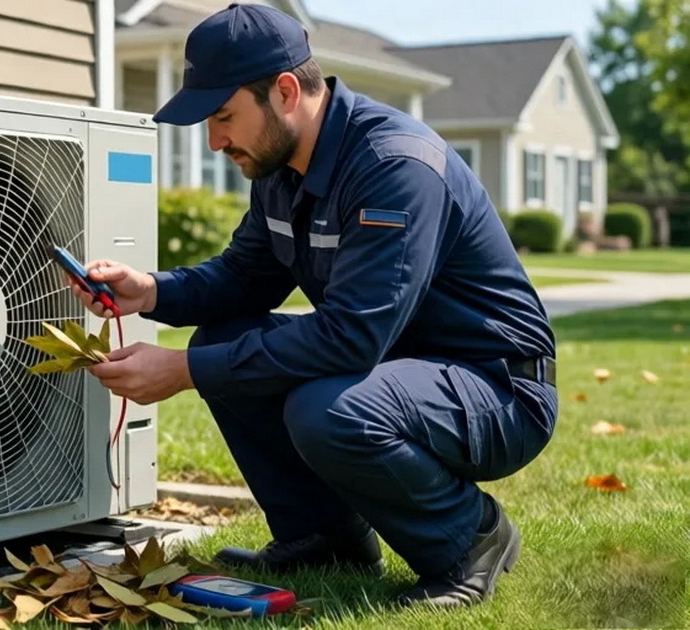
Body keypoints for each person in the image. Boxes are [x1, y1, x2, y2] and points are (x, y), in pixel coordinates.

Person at [72, 2, 558, 608]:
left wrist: (183, 371)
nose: (215, 141)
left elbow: (351, 337)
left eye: (223, 117)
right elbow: (244, 277)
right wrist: (151, 289)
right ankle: (325, 539)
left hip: (496, 388)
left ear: (284, 92)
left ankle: (471, 537)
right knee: (223, 340)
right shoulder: (279, 169)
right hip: (395, 371)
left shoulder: (393, 166)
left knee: (325, 408)